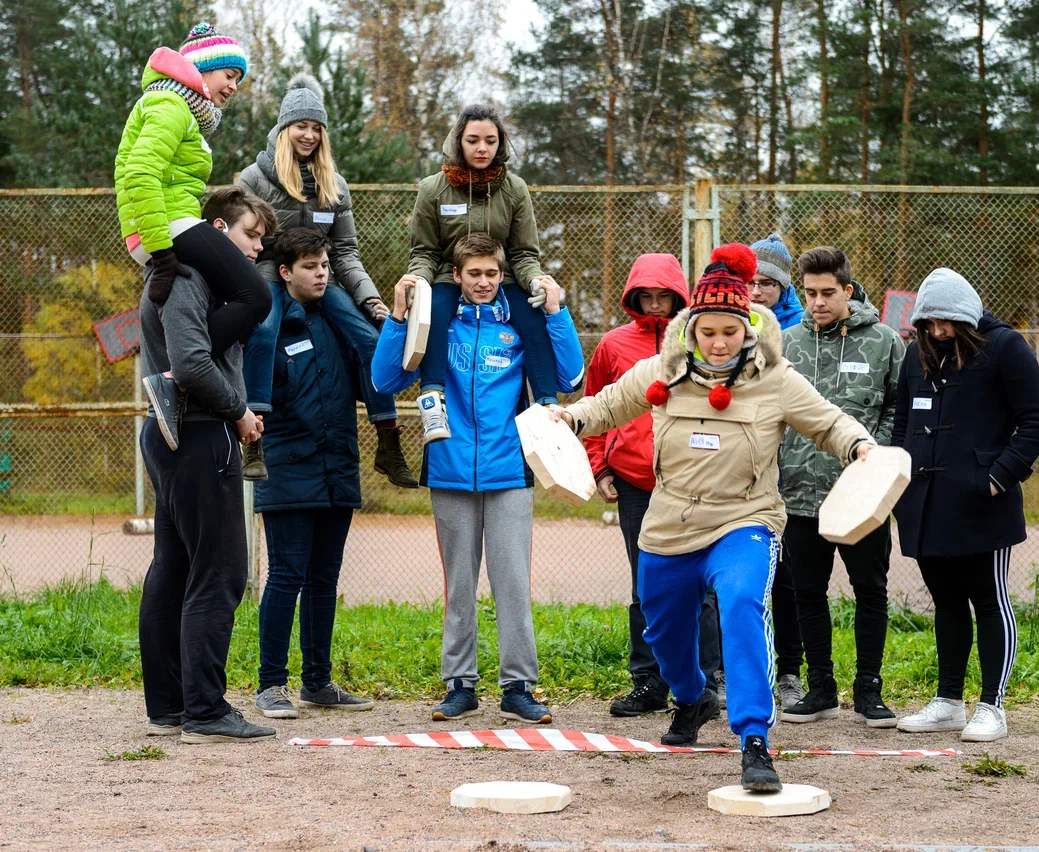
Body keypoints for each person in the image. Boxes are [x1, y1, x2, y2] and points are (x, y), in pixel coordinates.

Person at [552, 244, 876, 793]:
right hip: (670, 521)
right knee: (663, 629)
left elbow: (828, 422)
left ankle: (754, 739)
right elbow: (605, 405)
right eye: (709, 331)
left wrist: (862, 448)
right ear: (693, 328)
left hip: (745, 520)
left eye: (731, 330)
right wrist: (568, 418)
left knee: (742, 603)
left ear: (747, 328)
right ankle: (692, 697)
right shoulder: (662, 370)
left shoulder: (775, 377)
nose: (720, 342)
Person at [371, 233, 585, 724]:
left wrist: (556, 312)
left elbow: (571, 377)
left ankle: (518, 687)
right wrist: (399, 316)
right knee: (459, 585)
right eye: (474, 274)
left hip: (509, 470)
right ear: (456, 277)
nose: (484, 283)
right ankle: (460, 685)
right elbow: (385, 380)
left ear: (503, 275)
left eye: (492, 274)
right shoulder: (441, 323)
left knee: (512, 583)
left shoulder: (518, 327)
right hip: (448, 469)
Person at [136, 194, 276, 746]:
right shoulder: (191, 274)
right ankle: (205, 709)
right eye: (250, 235)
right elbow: (190, 362)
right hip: (196, 432)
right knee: (218, 570)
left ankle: (172, 705)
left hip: (178, 432)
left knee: (173, 568)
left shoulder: (186, 274)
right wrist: (239, 411)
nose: (258, 247)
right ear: (217, 231)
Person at [891, 268, 1039, 743]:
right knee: (946, 603)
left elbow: (1035, 422)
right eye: (929, 323)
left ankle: (992, 706)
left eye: (946, 323)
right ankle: (948, 702)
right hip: (924, 503)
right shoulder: (915, 356)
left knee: (989, 600)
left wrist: (998, 479)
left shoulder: (1006, 347)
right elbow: (901, 426)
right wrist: (899, 482)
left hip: (983, 506)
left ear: (966, 316)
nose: (938, 332)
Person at [238, 75, 415, 487]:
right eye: (301, 126)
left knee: (371, 340)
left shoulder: (334, 185)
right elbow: (242, 240)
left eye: (317, 128)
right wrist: (244, 295)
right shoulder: (255, 178)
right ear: (285, 129)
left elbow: (346, 253)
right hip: (271, 272)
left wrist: (371, 302)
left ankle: (388, 442)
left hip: (322, 275)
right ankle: (254, 439)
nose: (309, 135)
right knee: (264, 332)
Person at [115, 23, 271, 451]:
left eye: (239, 79)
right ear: (202, 70)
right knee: (256, 296)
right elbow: (140, 173)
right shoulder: (170, 103)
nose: (234, 86)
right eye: (229, 75)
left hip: (166, 223)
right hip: (168, 225)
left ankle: (183, 373)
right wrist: (161, 253)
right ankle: (175, 377)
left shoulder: (181, 109)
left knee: (238, 296)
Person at [582, 254, 723, 718]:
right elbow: (597, 406)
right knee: (647, 585)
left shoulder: (699, 342)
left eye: (666, 295)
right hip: (635, 482)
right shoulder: (613, 345)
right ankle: (649, 682)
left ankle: (709, 680)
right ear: (634, 296)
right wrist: (600, 467)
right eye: (649, 295)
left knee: (701, 583)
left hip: (690, 480)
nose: (657, 304)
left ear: (680, 296)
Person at [247, 229, 376, 720]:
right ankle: (270, 684)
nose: (321, 273)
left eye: (324, 264)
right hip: (287, 469)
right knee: (285, 577)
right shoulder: (270, 325)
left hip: (337, 467)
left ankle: (317, 682)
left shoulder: (338, 320)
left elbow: (365, 381)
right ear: (285, 272)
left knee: (324, 579)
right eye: (310, 266)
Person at [777, 246, 904, 727]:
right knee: (807, 593)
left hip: (862, 497)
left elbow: (899, 406)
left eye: (827, 293)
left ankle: (869, 690)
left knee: (870, 590)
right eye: (809, 293)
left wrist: (878, 461)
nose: (817, 303)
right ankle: (820, 688)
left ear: (848, 291)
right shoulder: (787, 345)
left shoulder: (885, 342)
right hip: (801, 496)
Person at [407, 104, 569, 443]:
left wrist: (534, 280)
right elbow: (424, 251)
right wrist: (419, 282)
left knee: (533, 319)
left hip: (504, 278)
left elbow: (524, 253)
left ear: (501, 145)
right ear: (457, 142)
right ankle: (433, 402)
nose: (482, 149)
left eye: (490, 141)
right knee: (433, 313)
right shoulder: (433, 189)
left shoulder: (515, 189)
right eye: (473, 140)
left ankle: (548, 408)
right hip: (448, 276)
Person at [747, 233, 805, 711]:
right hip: (745, 473)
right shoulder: (729, 330)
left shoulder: (801, 333)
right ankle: (733, 668)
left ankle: (790, 671)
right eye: (751, 281)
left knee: (787, 579)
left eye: (768, 283)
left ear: (784, 289)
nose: (757, 291)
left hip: (793, 477)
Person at [749, 233, 804, 330]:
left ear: (783, 285)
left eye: (765, 284)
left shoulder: (799, 325)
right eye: (750, 283)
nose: (755, 292)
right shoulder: (730, 317)